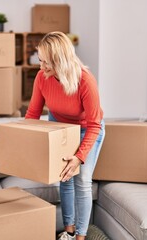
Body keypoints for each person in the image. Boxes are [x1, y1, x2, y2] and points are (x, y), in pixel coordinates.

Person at [25, 31, 105, 240]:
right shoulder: (42, 78)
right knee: (65, 179)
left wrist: (79, 157)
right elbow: (33, 114)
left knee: (82, 180)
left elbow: (95, 124)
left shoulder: (85, 80)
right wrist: (25, 140)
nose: (40, 66)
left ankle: (81, 235)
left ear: (58, 61)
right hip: (61, 128)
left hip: (88, 129)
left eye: (45, 62)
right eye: (40, 60)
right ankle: (68, 231)